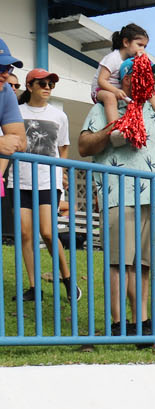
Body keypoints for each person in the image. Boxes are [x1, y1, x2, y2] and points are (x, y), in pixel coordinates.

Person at [76, 53, 155, 337]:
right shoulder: (105, 107)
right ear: (126, 77)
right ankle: (117, 324)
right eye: (141, 74)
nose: (146, 80)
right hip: (120, 194)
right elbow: (84, 146)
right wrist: (113, 129)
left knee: (144, 265)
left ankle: (141, 322)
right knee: (119, 261)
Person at [15, 69, 79, 303]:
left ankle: (68, 278)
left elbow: (63, 146)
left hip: (47, 180)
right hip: (19, 179)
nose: (48, 88)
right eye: (42, 83)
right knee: (24, 233)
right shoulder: (16, 112)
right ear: (30, 86)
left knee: (48, 232)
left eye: (51, 84)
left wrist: (61, 173)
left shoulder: (59, 115)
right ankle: (34, 287)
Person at [91, 23, 155, 146]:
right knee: (110, 97)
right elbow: (101, 81)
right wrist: (115, 91)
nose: (142, 49)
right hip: (101, 90)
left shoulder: (133, 59)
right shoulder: (113, 58)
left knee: (150, 90)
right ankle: (116, 128)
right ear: (126, 42)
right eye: (139, 45)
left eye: (145, 46)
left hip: (121, 91)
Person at [0, 38, 28, 190]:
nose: (5, 75)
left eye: (8, 69)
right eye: (0, 68)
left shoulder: (6, 91)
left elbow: (20, 142)